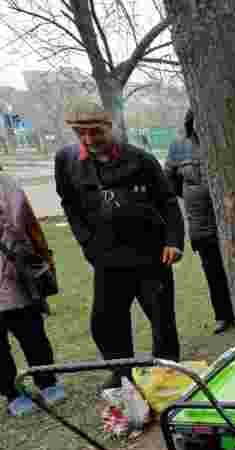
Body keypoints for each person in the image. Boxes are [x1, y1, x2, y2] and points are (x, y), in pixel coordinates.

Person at [55, 100, 184, 391]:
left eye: (95, 132)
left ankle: (167, 372)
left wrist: (173, 242)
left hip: (151, 256)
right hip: (108, 259)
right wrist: (88, 244)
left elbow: (168, 202)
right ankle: (121, 371)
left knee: (162, 318)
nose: (89, 139)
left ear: (108, 127)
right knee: (105, 321)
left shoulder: (141, 159)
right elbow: (70, 205)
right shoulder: (66, 161)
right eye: (81, 133)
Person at [165, 110, 235, 334]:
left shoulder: (227, 141)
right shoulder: (179, 146)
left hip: (231, 218)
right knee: (213, 271)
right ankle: (224, 316)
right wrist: (192, 195)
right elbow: (170, 181)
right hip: (201, 222)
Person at [1, 171, 65, 415]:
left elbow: (20, 225)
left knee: (31, 333)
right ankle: (12, 393)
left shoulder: (6, 183)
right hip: (13, 270)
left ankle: (47, 382)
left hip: (14, 273)